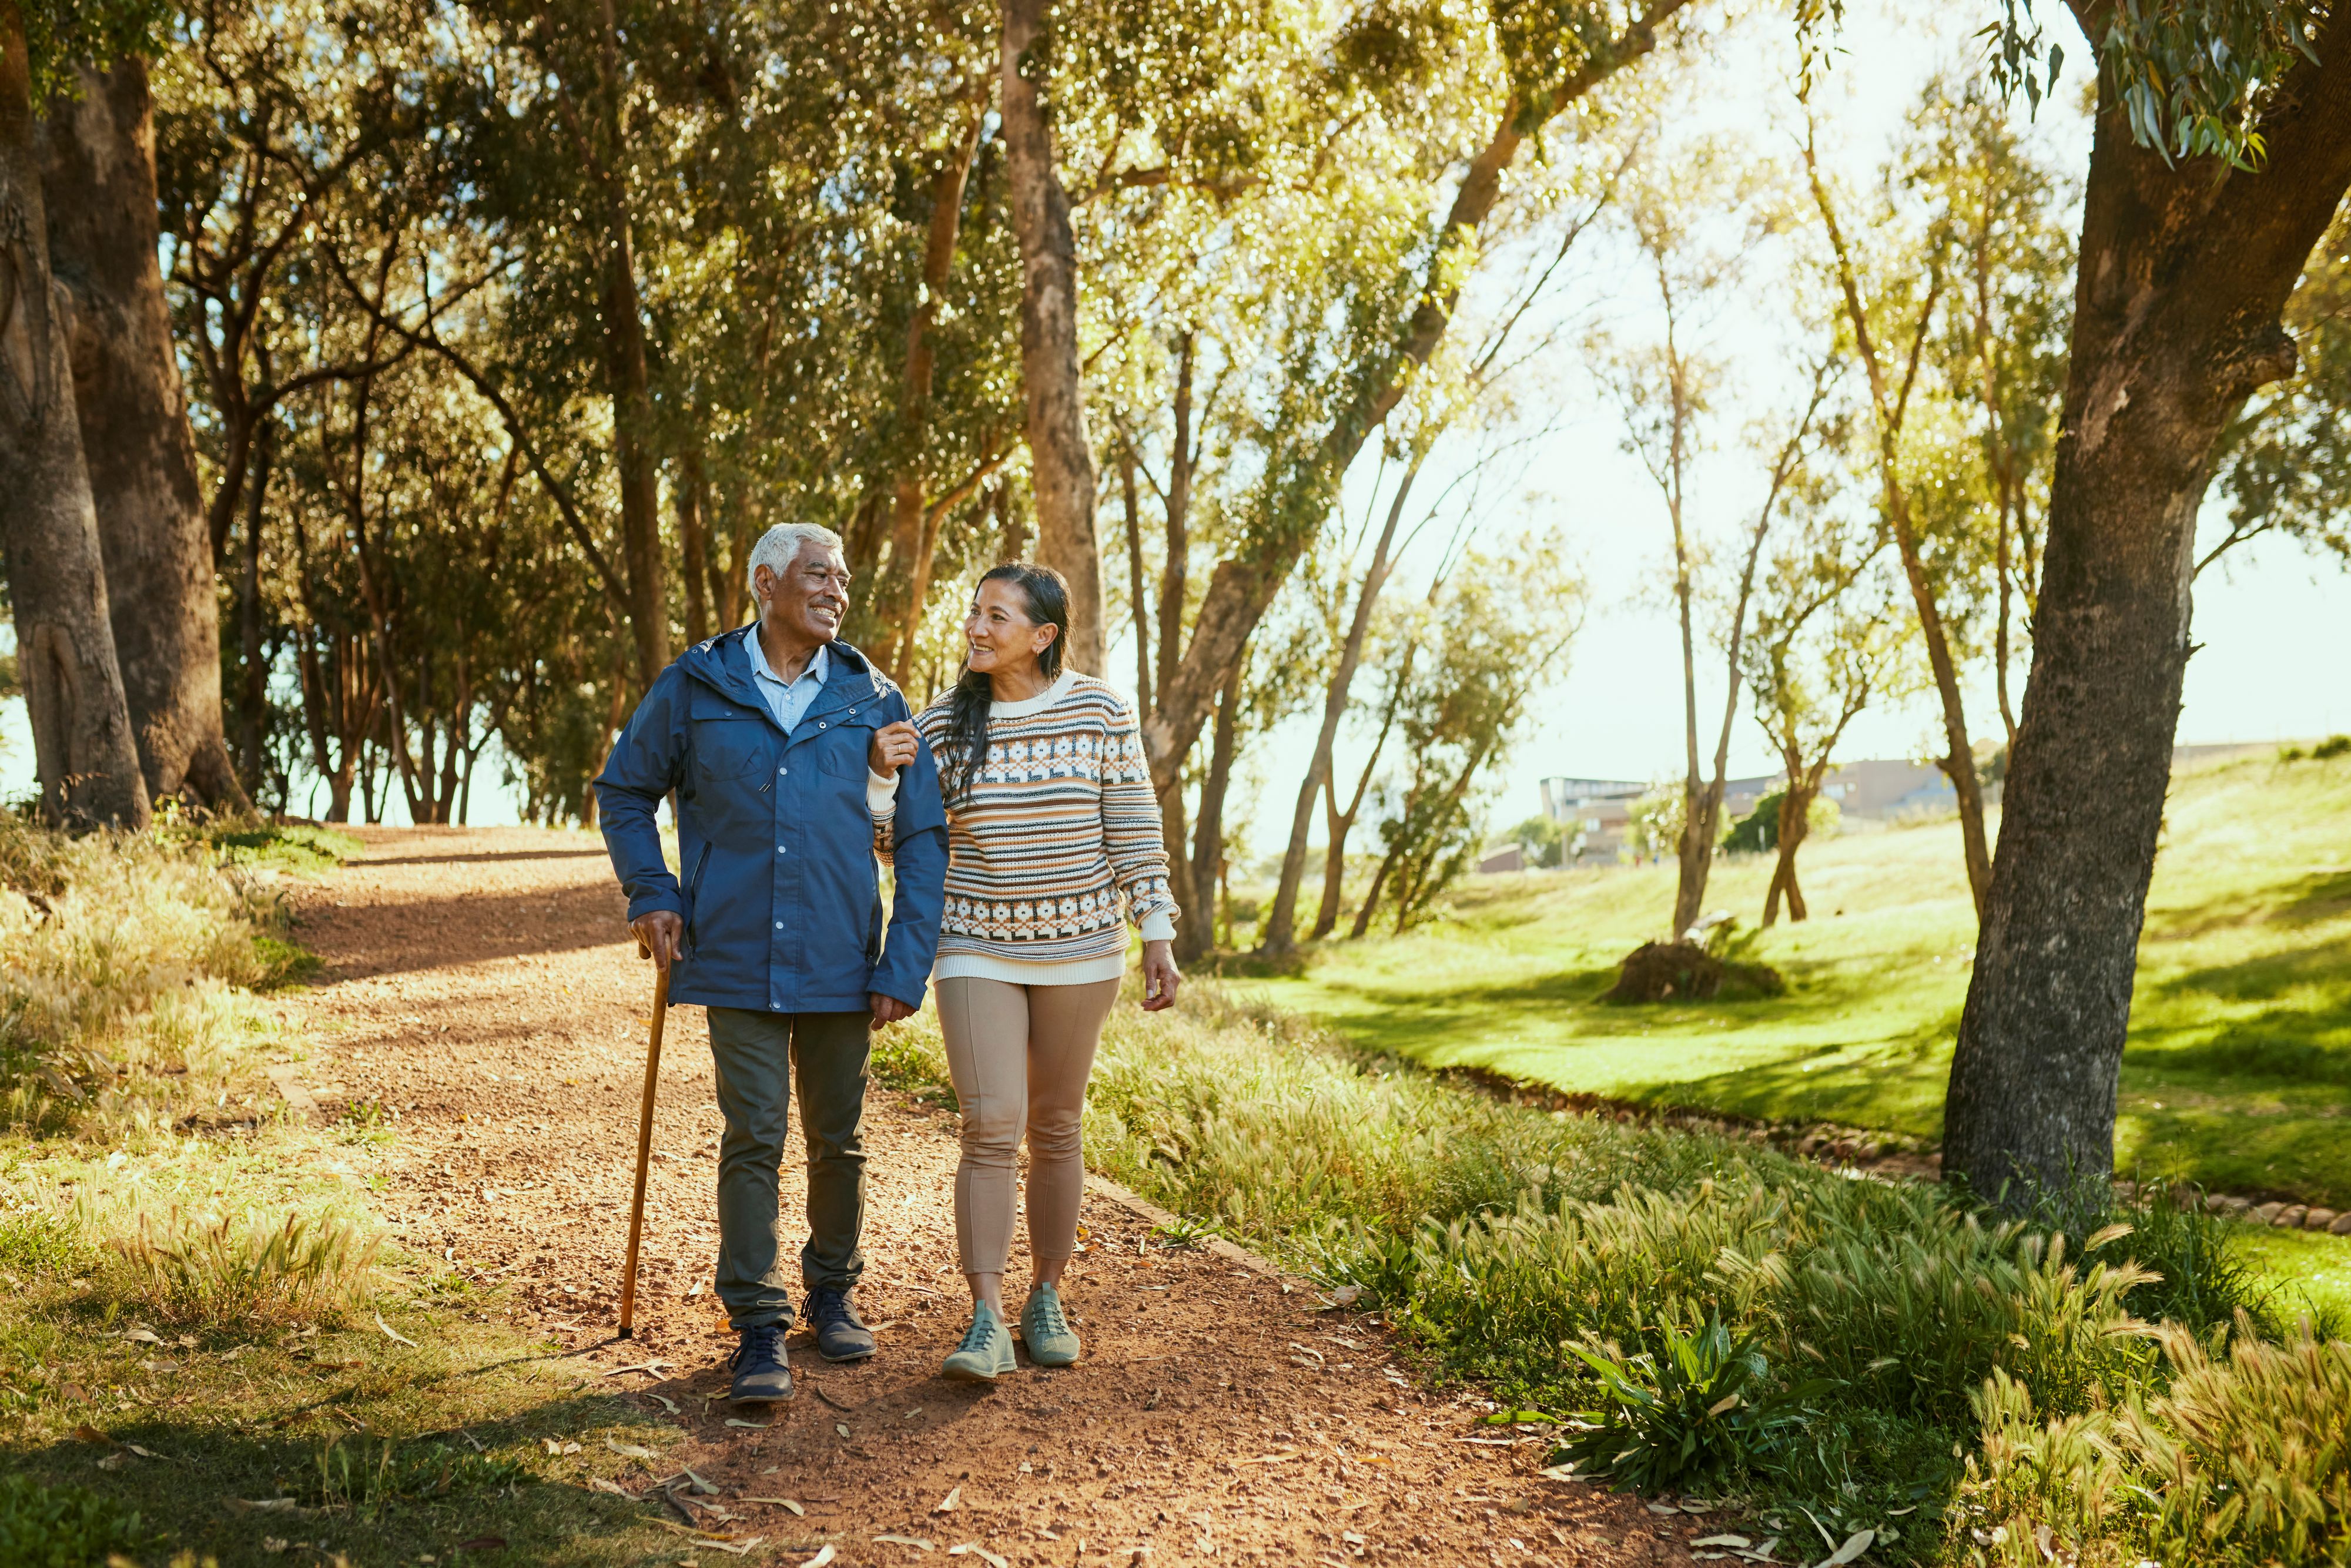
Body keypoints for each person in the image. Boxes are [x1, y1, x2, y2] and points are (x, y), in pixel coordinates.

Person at [596, 522, 948, 1406]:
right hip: (734, 952)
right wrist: (652, 892)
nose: (838, 589)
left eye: (844, 577)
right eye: (820, 574)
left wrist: (904, 963)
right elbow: (625, 791)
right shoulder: (695, 685)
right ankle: (757, 1322)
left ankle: (832, 1292)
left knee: (840, 1139)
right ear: (765, 581)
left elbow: (924, 838)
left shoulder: (876, 697)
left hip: (839, 956)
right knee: (753, 1133)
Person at [870, 561, 1180, 1383]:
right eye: (974, 613)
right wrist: (878, 777)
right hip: (975, 942)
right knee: (991, 1122)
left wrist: (1156, 932)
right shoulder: (937, 727)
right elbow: (895, 844)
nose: (976, 627)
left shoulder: (1101, 711)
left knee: (1056, 1126)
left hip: (1081, 946)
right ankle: (983, 1318)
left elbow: (1132, 824)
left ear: (1043, 637)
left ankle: (1046, 1296)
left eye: (997, 617)